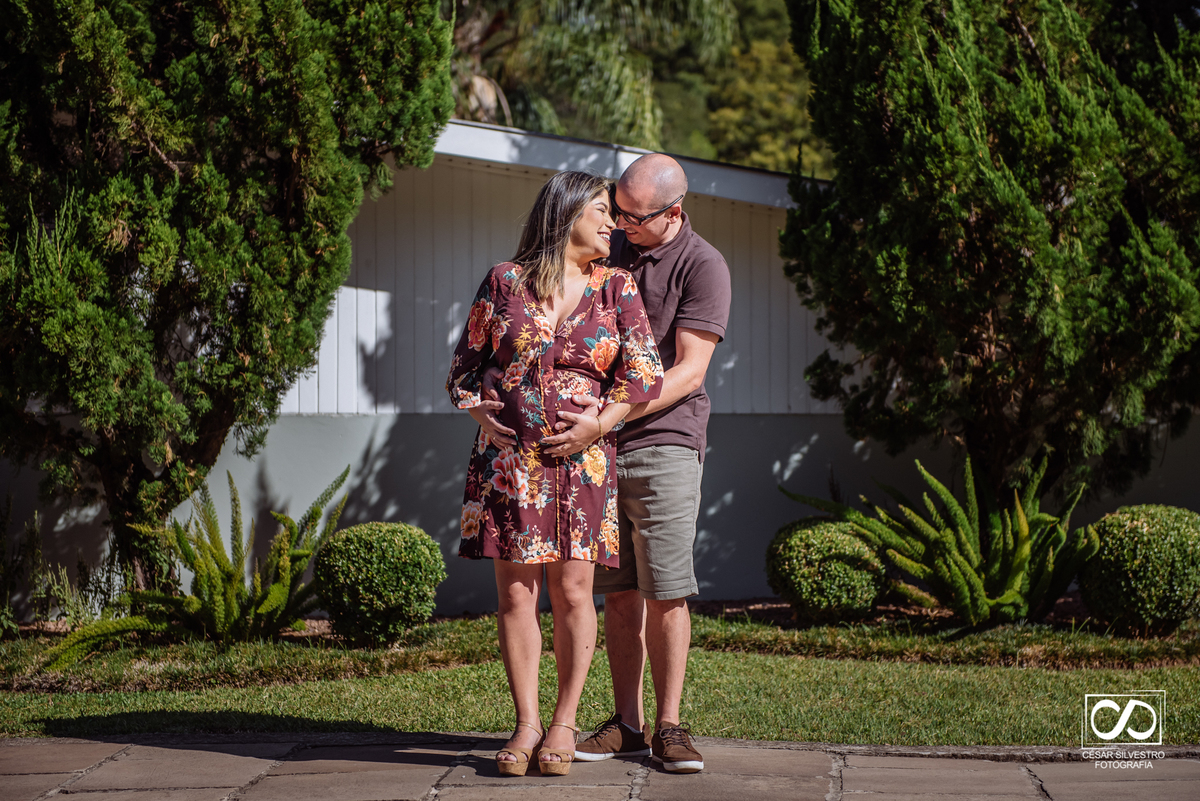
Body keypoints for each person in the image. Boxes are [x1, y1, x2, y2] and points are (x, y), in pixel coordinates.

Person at [446, 170, 664, 777]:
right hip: (510, 467)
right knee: (516, 594)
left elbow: (642, 378)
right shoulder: (504, 281)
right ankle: (525, 724)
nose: (612, 223)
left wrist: (599, 425)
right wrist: (480, 413)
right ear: (565, 214)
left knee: (573, 592)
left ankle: (564, 723)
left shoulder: (616, 287)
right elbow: (463, 370)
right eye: (600, 210)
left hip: (584, 466)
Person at [569, 154, 731, 774]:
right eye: (617, 209)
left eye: (635, 219)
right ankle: (627, 725)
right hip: (599, 444)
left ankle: (670, 726)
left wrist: (610, 415)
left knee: (665, 588)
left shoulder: (702, 265)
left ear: (674, 214)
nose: (621, 225)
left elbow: (689, 372)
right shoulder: (609, 250)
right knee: (619, 591)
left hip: (663, 439)